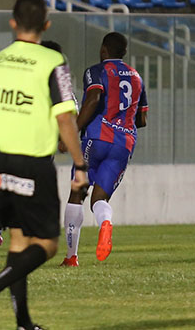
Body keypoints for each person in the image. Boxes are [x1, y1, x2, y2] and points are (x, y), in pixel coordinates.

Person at [0, 0, 88, 330]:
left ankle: (23, 323)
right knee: (47, 244)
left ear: (13, 23)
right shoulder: (52, 61)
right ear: (46, 25)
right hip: (34, 163)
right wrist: (80, 166)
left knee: (17, 243)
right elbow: (66, 120)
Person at [61, 32, 148, 266]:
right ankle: (105, 223)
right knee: (100, 198)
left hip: (98, 138)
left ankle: (71, 257)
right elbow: (142, 119)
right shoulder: (137, 77)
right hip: (125, 143)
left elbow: (93, 99)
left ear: (103, 50)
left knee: (77, 192)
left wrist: (72, 132)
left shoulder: (96, 71)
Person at [0, 40, 65, 258]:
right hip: (39, 153)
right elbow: (66, 127)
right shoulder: (59, 86)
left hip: (9, 146)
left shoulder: (21, 78)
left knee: (6, 188)